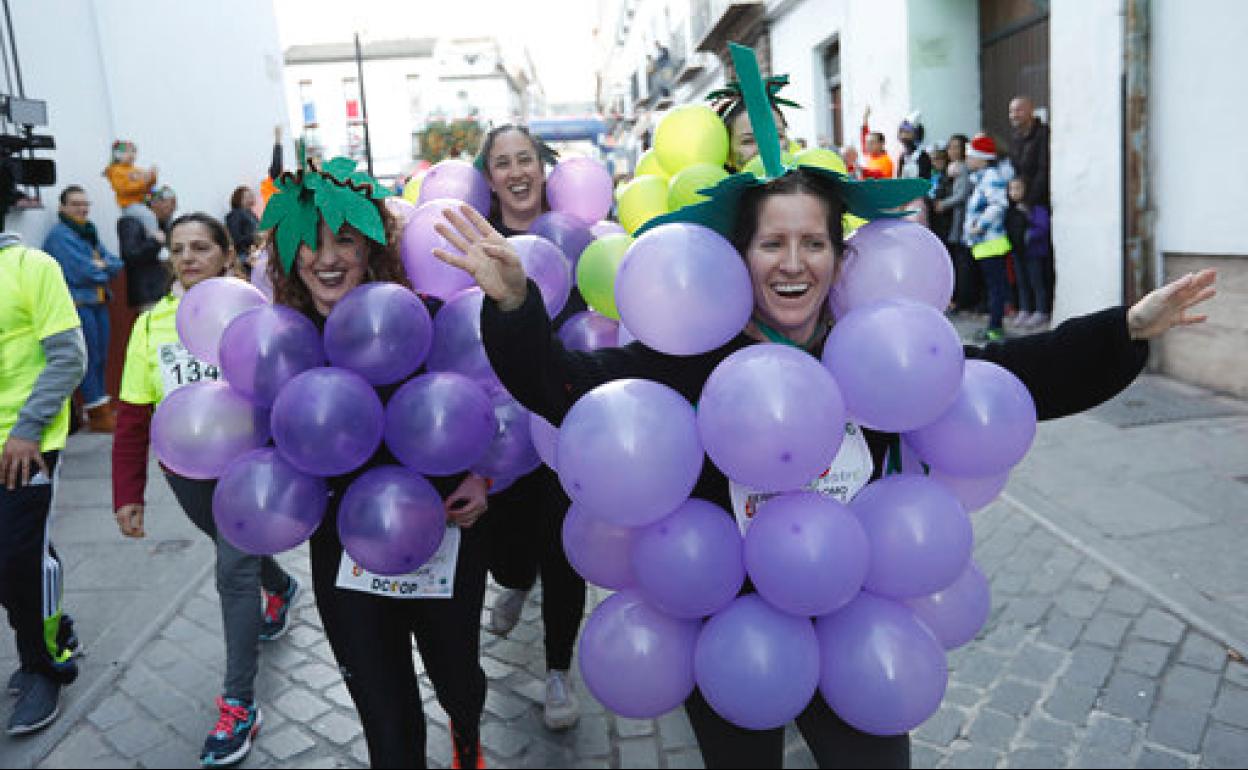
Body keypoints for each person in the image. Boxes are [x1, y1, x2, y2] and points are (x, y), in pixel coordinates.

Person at [432, 55, 1217, 767]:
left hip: (856, 617)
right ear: (740, 258)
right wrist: (512, 306)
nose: (794, 262)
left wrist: (1124, 330)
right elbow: (567, 387)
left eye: (814, 243)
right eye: (773, 244)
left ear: (840, 260)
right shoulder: (689, 355)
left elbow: (1005, 376)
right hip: (730, 624)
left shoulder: (872, 353)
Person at [262, 157, 491, 768]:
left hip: (443, 535)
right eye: (308, 242)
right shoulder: (281, 346)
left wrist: (484, 476)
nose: (326, 256)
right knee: (388, 727)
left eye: (345, 239)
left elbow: (487, 405)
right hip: (347, 556)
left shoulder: (423, 315)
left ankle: (466, 735)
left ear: (372, 251)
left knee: (458, 683)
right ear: (288, 256)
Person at [111, 213, 298, 767]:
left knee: (232, 572)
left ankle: (239, 703)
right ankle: (282, 586)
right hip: (186, 476)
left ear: (225, 254)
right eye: (177, 248)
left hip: (250, 471)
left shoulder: (255, 314)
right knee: (234, 552)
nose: (187, 257)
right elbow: (131, 417)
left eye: (200, 247)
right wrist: (129, 491)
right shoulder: (151, 327)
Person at [474, 123, 588, 730]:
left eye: (526, 160)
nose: (517, 172)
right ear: (488, 177)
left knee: (563, 546)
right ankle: (514, 582)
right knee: (509, 551)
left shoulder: (575, 235)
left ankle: (558, 671)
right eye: (502, 163)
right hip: (498, 428)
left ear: (543, 169)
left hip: (565, 414)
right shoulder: (475, 240)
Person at [0, 235, 87, 736]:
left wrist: (27, 428)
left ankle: (46, 663)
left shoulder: (32, 265)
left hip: (22, 443)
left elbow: (68, 357)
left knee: (21, 557)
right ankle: (48, 628)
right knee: (12, 552)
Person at [41, 185, 124, 433]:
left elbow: (117, 264)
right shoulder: (59, 236)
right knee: (87, 358)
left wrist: (101, 265)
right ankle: (97, 413)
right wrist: (101, 266)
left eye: (85, 203)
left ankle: (102, 408)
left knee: (101, 357)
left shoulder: (89, 233)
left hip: (98, 302)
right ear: (62, 207)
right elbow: (81, 272)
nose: (82, 208)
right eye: (76, 204)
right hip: (77, 305)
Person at [962, 133, 1013, 341]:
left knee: (995, 288)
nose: (967, 160)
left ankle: (995, 328)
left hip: (991, 242)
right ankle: (993, 326)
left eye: (971, 157)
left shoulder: (991, 177)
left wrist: (979, 225)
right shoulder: (982, 178)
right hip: (983, 244)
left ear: (983, 158)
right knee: (991, 287)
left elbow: (999, 204)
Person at [117, 185, 177, 310]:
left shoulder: (165, 224)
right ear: (155, 203)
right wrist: (154, 242)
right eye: (170, 203)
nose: (173, 208)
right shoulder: (131, 222)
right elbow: (130, 254)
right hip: (149, 293)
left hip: (166, 289)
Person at [1005, 176, 1053, 331]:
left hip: (1034, 252)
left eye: (1018, 188)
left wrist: (1027, 235)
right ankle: (1025, 309)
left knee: (1036, 282)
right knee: (1022, 283)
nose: (1014, 192)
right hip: (1018, 252)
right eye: (1011, 189)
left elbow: (1042, 228)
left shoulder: (1035, 208)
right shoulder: (1011, 209)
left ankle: (1041, 311)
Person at [103, 139, 158, 210]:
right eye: (127, 152)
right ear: (117, 155)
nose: (131, 154)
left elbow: (148, 186)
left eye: (133, 151)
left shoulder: (137, 170)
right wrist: (143, 182)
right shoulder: (116, 171)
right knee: (148, 217)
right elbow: (124, 189)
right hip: (129, 205)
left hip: (143, 202)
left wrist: (152, 176)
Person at [225, 186, 260, 275]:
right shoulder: (235, 214)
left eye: (252, 195)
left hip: (256, 252)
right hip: (246, 255)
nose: (252, 198)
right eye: (248, 196)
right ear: (239, 199)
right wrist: (255, 236)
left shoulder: (251, 213)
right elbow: (236, 239)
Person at [859, 107, 894, 179]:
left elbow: (877, 176)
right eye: (867, 143)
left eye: (872, 143)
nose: (868, 146)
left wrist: (861, 171)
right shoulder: (869, 156)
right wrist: (865, 119)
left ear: (882, 144)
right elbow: (864, 136)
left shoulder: (886, 161)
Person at [895, 112, 931, 180]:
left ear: (917, 134)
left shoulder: (923, 156)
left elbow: (923, 182)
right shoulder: (902, 157)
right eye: (901, 132)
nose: (903, 136)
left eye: (907, 132)